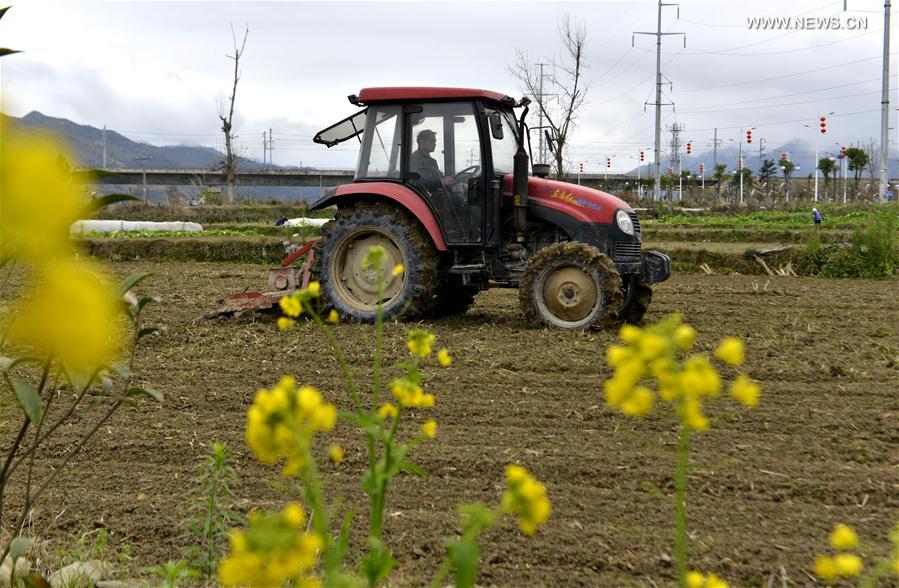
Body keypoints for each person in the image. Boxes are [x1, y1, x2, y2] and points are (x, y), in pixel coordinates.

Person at [410, 129, 453, 194]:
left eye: (435, 141)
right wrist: (442, 182)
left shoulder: (432, 161)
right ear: (422, 142)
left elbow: (439, 176)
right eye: (431, 140)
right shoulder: (414, 159)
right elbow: (419, 181)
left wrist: (451, 180)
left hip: (431, 193)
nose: (434, 143)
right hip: (422, 194)